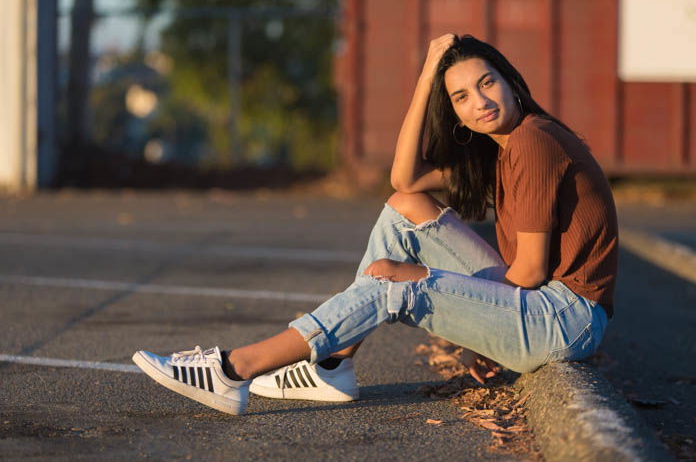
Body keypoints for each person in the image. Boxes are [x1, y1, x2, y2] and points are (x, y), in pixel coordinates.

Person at [132, 34, 618, 416]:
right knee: (404, 209)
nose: (480, 101)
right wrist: (428, 74)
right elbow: (404, 180)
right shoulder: (505, 149)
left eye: (488, 82)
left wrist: (462, 316)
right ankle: (333, 364)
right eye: (461, 97)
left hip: (561, 319)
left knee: (392, 284)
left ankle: (234, 370)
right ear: (457, 116)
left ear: (511, 81)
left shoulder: (534, 143)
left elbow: (529, 272)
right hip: (541, 306)